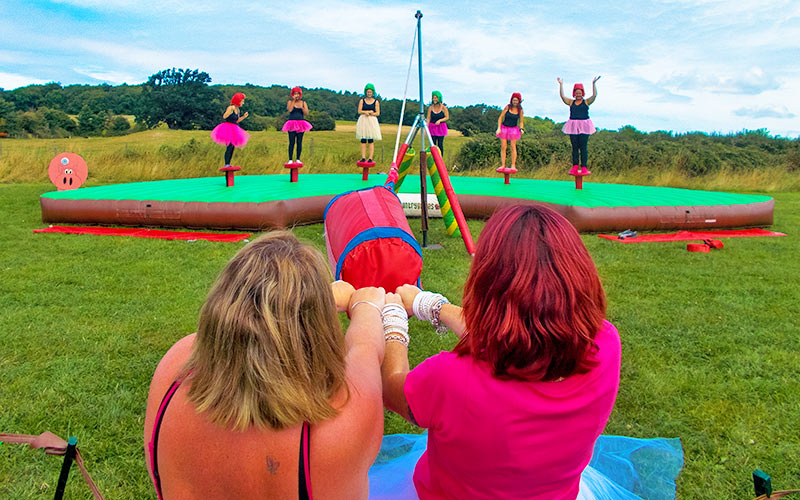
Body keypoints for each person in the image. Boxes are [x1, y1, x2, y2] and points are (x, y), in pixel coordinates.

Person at [381, 204, 622, 499]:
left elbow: (392, 389)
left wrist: (392, 321)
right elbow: (517, 336)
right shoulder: (605, 345)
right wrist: (432, 305)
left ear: (488, 282)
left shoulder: (450, 378)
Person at [144, 232, 387, 499]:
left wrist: (310, 301)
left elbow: (247, 331)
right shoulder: (341, 423)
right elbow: (366, 347)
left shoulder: (175, 366)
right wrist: (367, 303)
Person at [559, 76, 600, 175]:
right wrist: (561, 85)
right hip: (573, 126)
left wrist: (593, 84)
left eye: (580, 93)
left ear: (582, 93)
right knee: (574, 147)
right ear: (574, 93)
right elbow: (562, 97)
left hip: (584, 126)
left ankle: (584, 166)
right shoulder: (571, 102)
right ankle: (575, 166)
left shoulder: (586, 101)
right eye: (576, 93)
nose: (578, 95)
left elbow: (594, 95)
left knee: (583, 147)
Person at [210, 92, 250, 167]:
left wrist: (244, 117)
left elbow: (237, 120)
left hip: (234, 128)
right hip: (228, 128)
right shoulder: (231, 108)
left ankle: (228, 163)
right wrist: (228, 113)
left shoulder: (237, 110)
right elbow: (224, 116)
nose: (243, 103)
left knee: (232, 147)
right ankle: (226, 164)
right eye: (242, 101)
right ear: (238, 100)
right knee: (229, 146)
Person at [282, 86, 313, 164]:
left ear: (300, 94)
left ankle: (298, 158)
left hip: (301, 124)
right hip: (292, 124)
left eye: (298, 94)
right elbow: (290, 109)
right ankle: (290, 159)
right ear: (292, 94)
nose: (297, 95)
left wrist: (302, 107)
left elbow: (306, 113)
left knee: (299, 142)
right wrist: (293, 101)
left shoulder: (303, 102)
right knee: (291, 142)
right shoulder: (290, 102)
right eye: (295, 94)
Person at [495, 93, 524, 172]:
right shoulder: (507, 107)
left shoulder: (520, 110)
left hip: (513, 129)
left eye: (516, 100)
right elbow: (500, 117)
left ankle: (513, 165)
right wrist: (499, 128)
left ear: (519, 101)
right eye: (513, 100)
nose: (515, 102)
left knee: (513, 147)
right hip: (504, 128)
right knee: (503, 147)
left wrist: (521, 129)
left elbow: (521, 121)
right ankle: (503, 165)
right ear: (511, 100)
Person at [356, 83, 382, 163]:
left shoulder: (376, 102)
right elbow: (359, 111)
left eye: (370, 92)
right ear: (366, 92)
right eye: (368, 92)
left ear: (373, 92)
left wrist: (371, 113)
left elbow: (378, 113)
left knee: (371, 140)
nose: (369, 93)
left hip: (372, 121)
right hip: (363, 120)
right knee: (363, 139)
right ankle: (363, 157)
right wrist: (365, 112)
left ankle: (370, 158)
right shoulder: (362, 100)